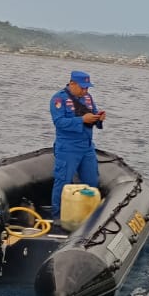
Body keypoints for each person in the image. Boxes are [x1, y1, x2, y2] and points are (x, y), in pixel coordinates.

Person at [50, 70, 106, 218]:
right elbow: (59, 122)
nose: (85, 90)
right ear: (72, 83)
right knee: (63, 181)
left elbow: (92, 116)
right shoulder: (59, 99)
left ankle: (89, 215)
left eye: (87, 88)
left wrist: (98, 118)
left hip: (87, 146)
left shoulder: (88, 98)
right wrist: (81, 120)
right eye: (82, 87)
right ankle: (57, 216)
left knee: (91, 181)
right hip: (68, 147)